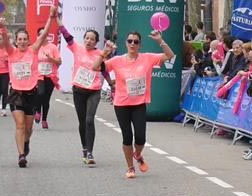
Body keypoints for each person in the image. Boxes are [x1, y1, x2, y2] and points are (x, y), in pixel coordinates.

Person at [102, 28, 175, 178]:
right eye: (130, 41)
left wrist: (160, 40)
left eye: (136, 42)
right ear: (126, 43)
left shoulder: (147, 58)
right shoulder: (117, 60)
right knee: (127, 136)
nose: (132, 44)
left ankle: (138, 154)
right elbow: (97, 67)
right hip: (121, 104)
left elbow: (170, 55)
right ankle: (130, 168)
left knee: (141, 137)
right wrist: (104, 54)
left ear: (140, 45)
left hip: (139, 103)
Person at [0, 11, 59, 168]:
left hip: (31, 93)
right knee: (20, 125)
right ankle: (21, 155)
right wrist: (2, 27)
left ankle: (26, 142)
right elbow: (5, 39)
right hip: (16, 93)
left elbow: (43, 34)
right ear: (16, 41)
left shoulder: (34, 50)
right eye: (20, 39)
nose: (22, 42)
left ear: (29, 41)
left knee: (28, 128)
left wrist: (50, 18)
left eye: (25, 39)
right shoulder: (11, 52)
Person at [63, 25, 108, 166]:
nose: (89, 41)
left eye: (92, 39)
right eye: (87, 38)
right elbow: (67, 36)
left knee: (89, 120)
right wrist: (58, 22)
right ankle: (84, 147)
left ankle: (90, 152)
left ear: (96, 42)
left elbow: (104, 70)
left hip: (94, 91)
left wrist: (111, 84)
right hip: (79, 90)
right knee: (82, 121)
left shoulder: (100, 54)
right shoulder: (77, 49)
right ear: (84, 39)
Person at [35, 32, 62, 129]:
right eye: (40, 34)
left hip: (50, 76)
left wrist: (51, 59)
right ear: (38, 36)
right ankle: (38, 111)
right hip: (39, 76)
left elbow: (59, 62)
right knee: (40, 93)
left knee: (46, 99)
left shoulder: (53, 47)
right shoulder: (36, 47)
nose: (43, 36)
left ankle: (44, 119)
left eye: (45, 34)